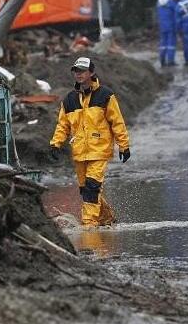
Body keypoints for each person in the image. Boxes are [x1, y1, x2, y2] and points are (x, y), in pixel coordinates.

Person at [49, 57, 130, 228]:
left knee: (92, 187)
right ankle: (107, 219)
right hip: (79, 151)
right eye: (76, 71)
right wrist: (55, 143)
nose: (78, 74)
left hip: (99, 150)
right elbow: (63, 124)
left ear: (91, 73)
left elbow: (117, 122)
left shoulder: (105, 95)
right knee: (87, 190)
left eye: (82, 71)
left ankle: (89, 225)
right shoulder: (69, 99)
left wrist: (124, 145)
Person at [156, 0, 179, 67]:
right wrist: (177, 27)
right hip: (171, 25)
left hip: (162, 26)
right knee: (171, 44)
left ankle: (162, 60)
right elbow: (176, 15)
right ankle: (170, 61)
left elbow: (158, 14)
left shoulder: (158, 2)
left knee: (163, 44)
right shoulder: (171, 2)